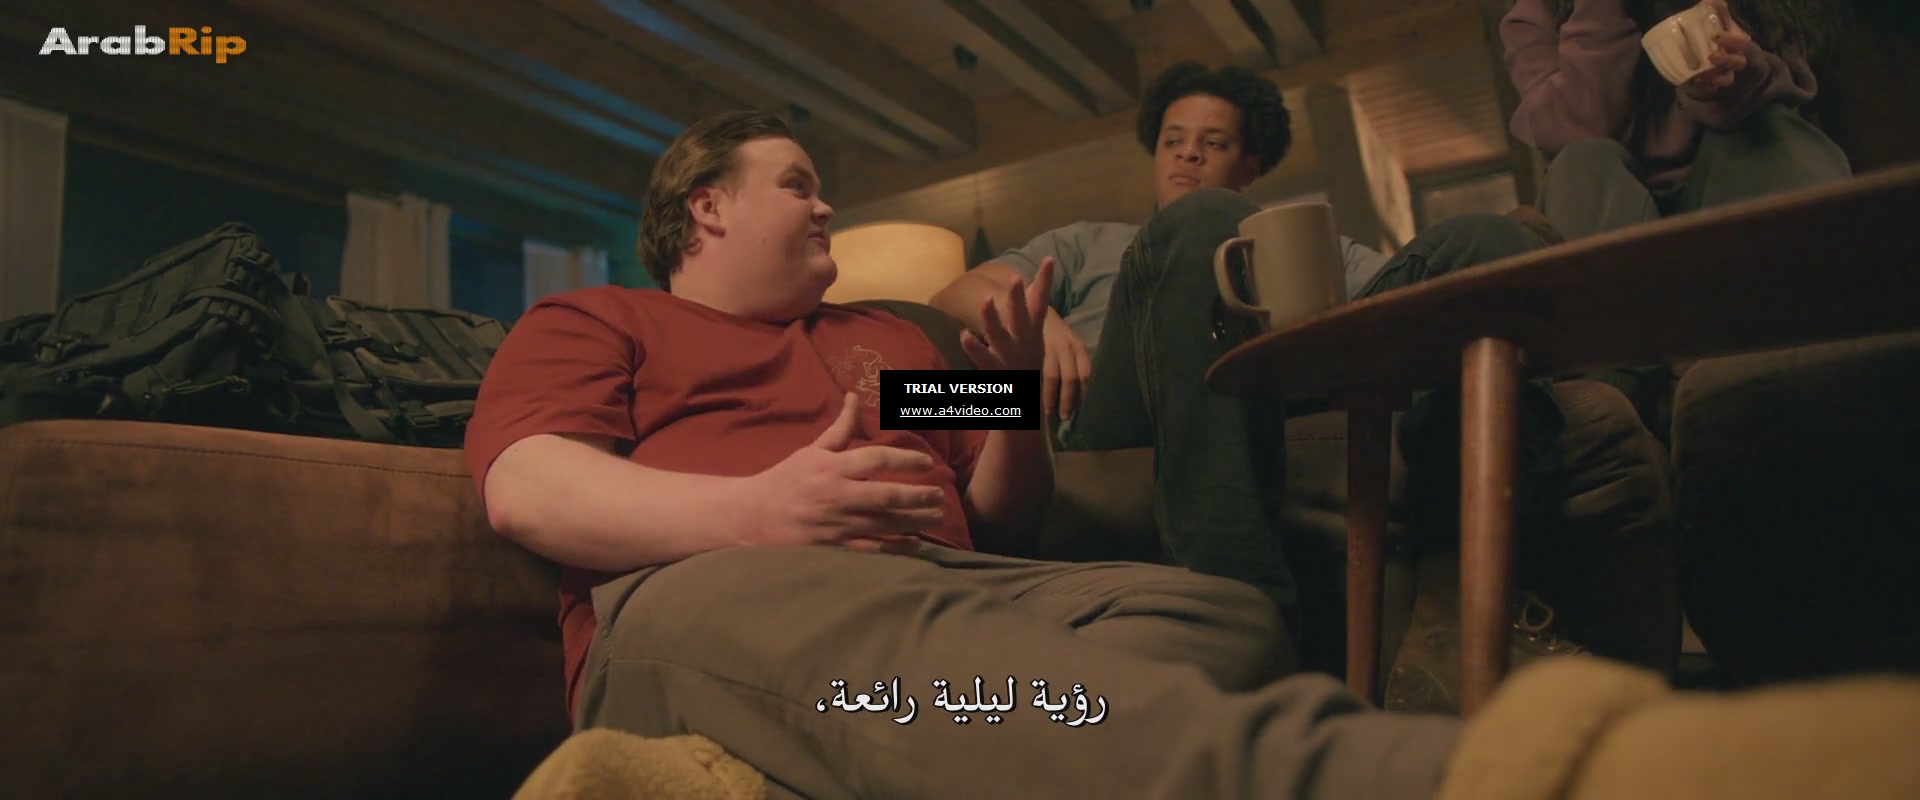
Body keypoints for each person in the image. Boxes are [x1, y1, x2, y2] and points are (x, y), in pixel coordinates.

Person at [475, 108, 1920, 800]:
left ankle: (781, 769)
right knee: (948, 673)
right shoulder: (603, 318)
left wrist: (1011, 407)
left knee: (1213, 614)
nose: (824, 204)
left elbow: (1005, 511)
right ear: (704, 212)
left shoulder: (885, 338)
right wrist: (761, 508)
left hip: (949, 594)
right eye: (797, 183)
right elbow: (528, 481)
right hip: (714, 593)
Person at [926, 61, 1648, 670]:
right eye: (1173, 141)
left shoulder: (1307, 244)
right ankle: (1244, 613)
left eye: (1212, 142)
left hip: (1277, 391)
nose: (1187, 155)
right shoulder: (1090, 243)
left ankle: (1499, 597)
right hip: (1113, 406)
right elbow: (952, 294)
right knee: (1204, 224)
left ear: (1253, 163)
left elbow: (1395, 302)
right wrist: (1037, 319)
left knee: (1482, 239)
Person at [1501, 0, 1856, 430]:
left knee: (1772, 133)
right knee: (1585, 163)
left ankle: (1793, 374)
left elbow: (1781, 87)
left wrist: (1725, 75)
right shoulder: (1533, 18)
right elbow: (1582, 126)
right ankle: (1616, 409)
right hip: (1611, 223)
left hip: (1730, 199)